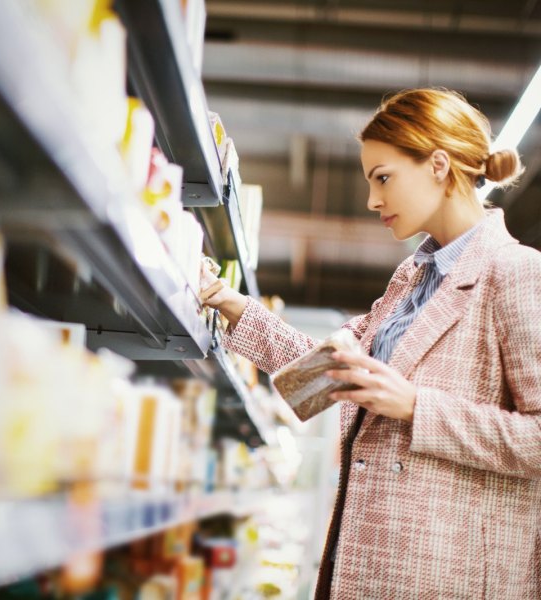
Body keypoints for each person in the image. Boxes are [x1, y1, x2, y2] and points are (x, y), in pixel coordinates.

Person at [200, 88, 541, 599]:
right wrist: (228, 302)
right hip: (367, 567)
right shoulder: (411, 279)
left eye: (383, 178)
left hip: (451, 577)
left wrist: (416, 408)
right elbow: (328, 371)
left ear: (439, 166)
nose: (371, 200)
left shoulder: (516, 272)